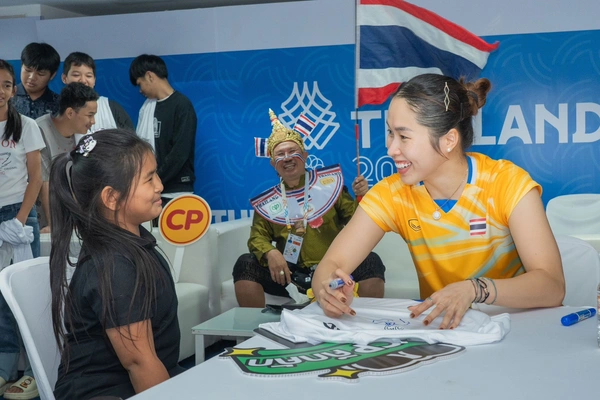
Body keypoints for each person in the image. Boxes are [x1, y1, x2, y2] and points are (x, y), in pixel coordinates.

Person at [311, 74, 565, 328]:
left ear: (449, 140)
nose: (391, 149)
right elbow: (330, 265)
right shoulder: (392, 193)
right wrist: (328, 290)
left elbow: (552, 286)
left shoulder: (507, 183)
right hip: (444, 332)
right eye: (390, 133)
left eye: (404, 136)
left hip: (517, 328)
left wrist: (475, 289)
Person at [49, 129, 184, 399]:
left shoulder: (135, 244)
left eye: (156, 174)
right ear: (111, 198)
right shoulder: (114, 267)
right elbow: (140, 363)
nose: (159, 185)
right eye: (149, 179)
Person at [232, 109, 385, 308]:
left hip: (335, 268)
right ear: (273, 163)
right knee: (245, 264)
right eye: (280, 154)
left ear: (304, 155)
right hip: (290, 274)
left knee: (371, 261)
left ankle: (363, 323)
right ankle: (254, 325)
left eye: (293, 152)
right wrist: (271, 253)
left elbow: (356, 222)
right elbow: (256, 238)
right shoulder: (269, 202)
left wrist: (362, 197)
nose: (287, 158)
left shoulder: (330, 187)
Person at [0, 60, 45, 400]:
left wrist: (19, 220)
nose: (0, 91)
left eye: (5, 85)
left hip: (20, 216)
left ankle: (35, 371)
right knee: (0, 299)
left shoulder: (26, 126)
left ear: (13, 89)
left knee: (26, 295)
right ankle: (5, 368)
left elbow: (36, 177)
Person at [129, 54, 197, 204]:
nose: (140, 90)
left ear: (150, 76)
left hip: (176, 190)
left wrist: (153, 179)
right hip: (150, 191)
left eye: (140, 84)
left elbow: (180, 153)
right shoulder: (146, 108)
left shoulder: (182, 105)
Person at [37, 82, 98, 233]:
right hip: (42, 222)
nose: (93, 121)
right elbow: (44, 183)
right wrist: (53, 224)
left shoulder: (81, 137)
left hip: (66, 218)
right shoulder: (40, 130)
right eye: (90, 115)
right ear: (70, 113)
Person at [62, 51, 134, 136]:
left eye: (88, 76)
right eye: (76, 75)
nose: (83, 81)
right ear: (64, 78)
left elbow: (132, 142)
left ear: (94, 80)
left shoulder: (112, 108)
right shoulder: (57, 112)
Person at [12, 42, 60, 120]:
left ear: (52, 75)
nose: (32, 77)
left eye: (40, 74)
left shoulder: (60, 104)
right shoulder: (6, 97)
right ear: (21, 66)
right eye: (27, 70)